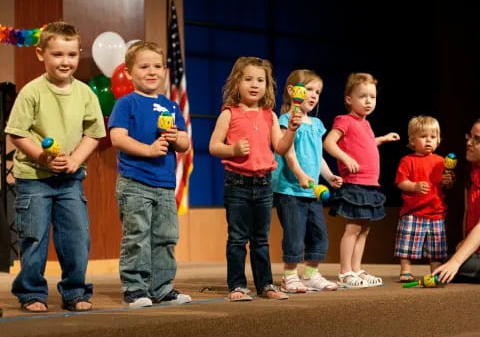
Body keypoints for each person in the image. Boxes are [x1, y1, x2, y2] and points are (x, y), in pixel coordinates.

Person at [5, 21, 106, 312]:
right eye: (58, 55)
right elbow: (16, 132)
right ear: (41, 54)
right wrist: (41, 156)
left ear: (79, 53)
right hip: (34, 179)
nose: (65, 61)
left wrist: (76, 159)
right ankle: (31, 292)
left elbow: (95, 133)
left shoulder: (85, 93)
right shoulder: (32, 91)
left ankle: (75, 292)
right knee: (34, 236)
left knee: (76, 237)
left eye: (71, 55)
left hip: (70, 180)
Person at [209, 56, 302, 301]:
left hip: (263, 184)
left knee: (261, 240)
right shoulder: (229, 114)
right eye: (248, 79)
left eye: (260, 80)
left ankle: (266, 285)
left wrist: (291, 130)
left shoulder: (269, 115)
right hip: (237, 183)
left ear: (267, 85)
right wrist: (233, 150)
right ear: (236, 83)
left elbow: (280, 147)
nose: (254, 85)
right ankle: (237, 286)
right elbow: (213, 146)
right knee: (238, 238)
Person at [108, 41, 192, 308]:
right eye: (144, 67)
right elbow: (117, 138)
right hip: (135, 182)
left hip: (165, 184)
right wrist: (149, 149)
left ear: (165, 71)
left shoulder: (170, 105)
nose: (152, 71)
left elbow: (185, 143)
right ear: (129, 72)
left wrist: (175, 137)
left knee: (165, 237)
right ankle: (135, 288)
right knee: (137, 237)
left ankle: (162, 288)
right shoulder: (126, 103)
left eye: (157, 66)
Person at [323, 72, 400, 288]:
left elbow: (364, 144)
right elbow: (329, 143)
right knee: (353, 228)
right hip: (355, 184)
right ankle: (345, 271)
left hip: (370, 184)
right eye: (363, 96)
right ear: (349, 99)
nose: (368, 101)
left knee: (364, 229)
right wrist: (345, 158)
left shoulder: (365, 124)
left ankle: (356, 269)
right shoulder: (344, 120)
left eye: (372, 97)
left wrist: (381, 139)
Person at [272, 70, 342, 293]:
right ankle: (290, 276)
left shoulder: (317, 124)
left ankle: (311, 275)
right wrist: (300, 174)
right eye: (309, 89)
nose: (313, 95)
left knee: (319, 234)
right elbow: (288, 152)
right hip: (291, 190)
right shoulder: (286, 120)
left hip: (312, 191)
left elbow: (318, 155)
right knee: (294, 235)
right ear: (294, 91)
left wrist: (329, 175)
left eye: (318, 92)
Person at [394, 116, 454, 282]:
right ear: (412, 140)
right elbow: (400, 182)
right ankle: (406, 270)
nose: (429, 141)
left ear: (438, 140)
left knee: (436, 247)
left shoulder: (441, 161)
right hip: (413, 211)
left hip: (436, 212)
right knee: (407, 243)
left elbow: (446, 185)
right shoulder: (408, 160)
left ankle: (435, 271)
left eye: (433, 137)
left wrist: (448, 182)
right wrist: (414, 186)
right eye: (423, 136)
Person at [433, 119, 480, 283]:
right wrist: (465, 243)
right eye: (469, 137)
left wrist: (456, 261)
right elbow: (468, 214)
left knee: (456, 264)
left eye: (477, 139)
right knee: (448, 260)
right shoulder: (471, 173)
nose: (469, 143)